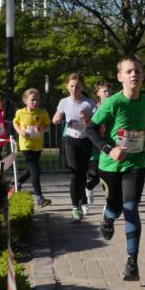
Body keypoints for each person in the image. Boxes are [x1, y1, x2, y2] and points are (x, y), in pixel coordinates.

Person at [85, 56, 145, 282]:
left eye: (137, 71)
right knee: (115, 207)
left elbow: (142, 127)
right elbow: (91, 129)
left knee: (130, 207)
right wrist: (109, 149)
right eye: (128, 72)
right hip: (110, 166)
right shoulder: (112, 103)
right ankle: (107, 218)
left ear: (143, 76)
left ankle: (132, 261)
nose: (133, 74)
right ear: (120, 77)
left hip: (136, 164)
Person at [53, 73, 95, 222]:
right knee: (74, 173)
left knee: (82, 174)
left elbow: (95, 123)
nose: (74, 89)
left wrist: (86, 118)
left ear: (82, 87)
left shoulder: (89, 103)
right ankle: (74, 207)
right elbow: (55, 118)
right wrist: (57, 119)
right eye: (71, 86)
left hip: (85, 140)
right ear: (67, 87)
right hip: (71, 139)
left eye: (77, 86)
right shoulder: (63, 102)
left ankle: (82, 201)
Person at [12, 88, 52, 208]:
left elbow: (48, 127)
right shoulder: (20, 112)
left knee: (32, 169)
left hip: (37, 146)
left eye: (37, 100)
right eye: (32, 100)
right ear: (25, 101)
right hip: (25, 145)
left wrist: (42, 129)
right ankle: (39, 198)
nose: (35, 102)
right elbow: (15, 123)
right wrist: (20, 131)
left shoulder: (42, 112)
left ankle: (17, 183)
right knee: (36, 170)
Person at [84, 81, 112, 209]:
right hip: (97, 143)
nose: (108, 93)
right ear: (98, 94)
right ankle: (88, 187)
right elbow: (89, 126)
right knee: (96, 173)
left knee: (108, 173)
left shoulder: (114, 104)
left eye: (109, 90)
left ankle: (110, 201)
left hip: (111, 142)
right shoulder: (95, 108)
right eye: (104, 91)